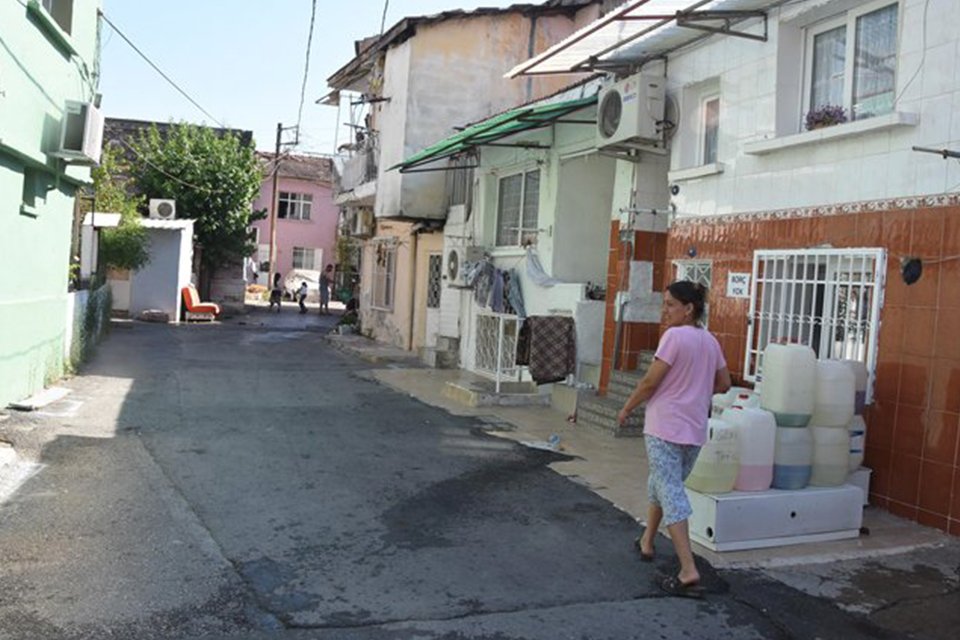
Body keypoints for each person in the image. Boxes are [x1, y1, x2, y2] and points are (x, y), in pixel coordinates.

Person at [617, 281, 731, 599]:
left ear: (688, 309)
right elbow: (724, 382)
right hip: (693, 429)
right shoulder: (710, 341)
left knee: (671, 493)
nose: (664, 310)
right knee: (662, 484)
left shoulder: (673, 337)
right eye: (664, 304)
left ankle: (687, 568)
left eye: (670, 305)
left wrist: (627, 407)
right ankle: (647, 542)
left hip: (664, 427)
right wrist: (696, 391)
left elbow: (650, 381)